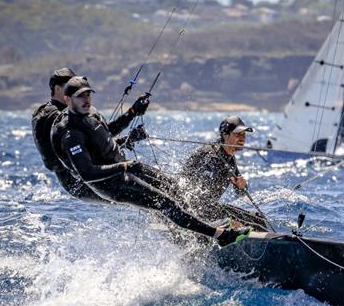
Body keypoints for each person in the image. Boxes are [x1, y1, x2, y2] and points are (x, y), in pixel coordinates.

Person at [51, 76, 249, 247]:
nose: (86, 100)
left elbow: (107, 133)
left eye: (88, 95)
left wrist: (132, 113)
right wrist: (125, 166)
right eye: (80, 97)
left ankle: (196, 225)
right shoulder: (70, 133)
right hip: (112, 183)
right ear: (67, 99)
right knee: (165, 203)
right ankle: (219, 235)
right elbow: (87, 173)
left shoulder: (90, 113)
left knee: (174, 187)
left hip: (127, 169)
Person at [33, 67, 149, 201]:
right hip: (79, 182)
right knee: (149, 198)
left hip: (85, 174)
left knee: (151, 194)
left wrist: (132, 114)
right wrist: (125, 137)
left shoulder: (69, 112)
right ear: (59, 89)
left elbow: (99, 135)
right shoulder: (58, 119)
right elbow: (83, 150)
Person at [180, 115, 266, 230]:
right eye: (237, 134)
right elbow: (196, 193)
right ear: (225, 135)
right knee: (234, 224)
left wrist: (242, 186)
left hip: (211, 207)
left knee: (257, 220)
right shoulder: (211, 155)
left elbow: (239, 191)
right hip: (194, 210)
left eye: (244, 134)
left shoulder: (229, 156)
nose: (242, 138)